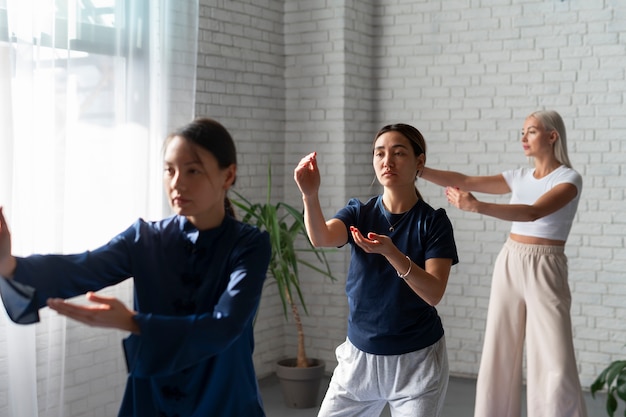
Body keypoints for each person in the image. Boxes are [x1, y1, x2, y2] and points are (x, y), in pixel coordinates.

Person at [0, 117, 272, 417]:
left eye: (192, 170)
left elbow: (227, 323)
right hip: (153, 397)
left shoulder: (249, 244)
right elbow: (82, 268)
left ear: (228, 175)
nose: (177, 182)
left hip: (224, 393)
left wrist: (134, 322)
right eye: (169, 170)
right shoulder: (145, 238)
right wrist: (9, 264)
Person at [420, 110, 587, 417]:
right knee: (500, 350)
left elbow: (534, 212)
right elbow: (464, 180)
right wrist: (420, 169)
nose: (524, 138)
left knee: (554, 358)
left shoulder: (569, 178)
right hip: (511, 261)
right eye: (522, 132)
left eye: (531, 131)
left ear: (552, 136)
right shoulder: (519, 177)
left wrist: (477, 206)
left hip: (546, 267)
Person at [294, 123, 459, 417]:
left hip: (417, 362)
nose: (387, 161)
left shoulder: (433, 222)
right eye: (380, 153)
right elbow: (321, 237)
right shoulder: (359, 212)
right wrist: (310, 194)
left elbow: (434, 292)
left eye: (398, 153)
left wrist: (392, 253)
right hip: (359, 359)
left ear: (419, 162)